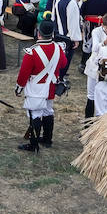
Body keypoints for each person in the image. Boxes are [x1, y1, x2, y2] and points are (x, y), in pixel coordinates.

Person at [14, 19, 67, 153]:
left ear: (39, 33)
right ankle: (47, 139)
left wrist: (19, 87)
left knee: (35, 114)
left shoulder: (32, 52)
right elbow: (63, 64)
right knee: (48, 110)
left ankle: (34, 145)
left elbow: (24, 73)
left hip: (36, 88)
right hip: (50, 86)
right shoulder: (58, 48)